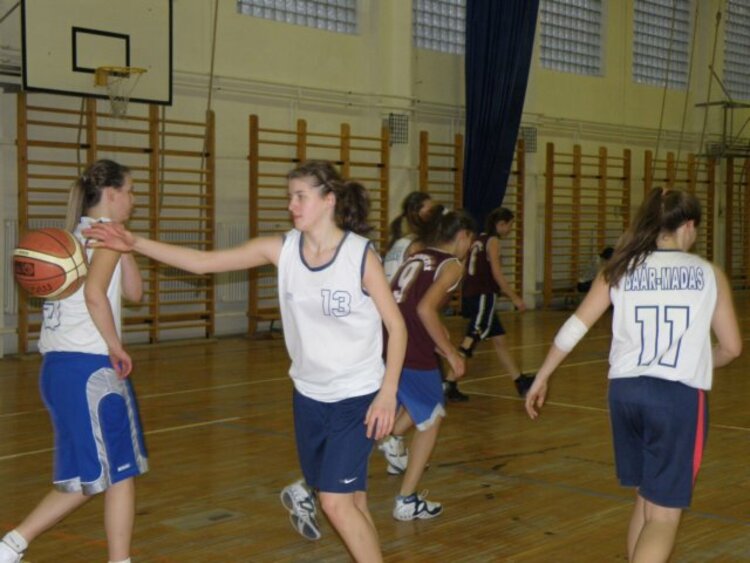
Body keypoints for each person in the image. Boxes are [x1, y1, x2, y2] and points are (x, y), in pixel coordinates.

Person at [83, 160, 407, 563]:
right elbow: (203, 262)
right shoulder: (282, 249)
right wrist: (134, 242)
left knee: (335, 503)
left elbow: (397, 326)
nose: (291, 205)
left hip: (358, 395)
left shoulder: (359, 255)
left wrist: (388, 393)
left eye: (300, 197)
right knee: (352, 501)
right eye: (290, 197)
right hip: (309, 396)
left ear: (329, 200)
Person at [525, 188, 741, 563]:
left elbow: (574, 327)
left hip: (625, 394)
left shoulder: (620, 268)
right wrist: (698, 360)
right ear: (689, 226)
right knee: (664, 516)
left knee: (645, 497)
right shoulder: (709, 274)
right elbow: (732, 348)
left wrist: (541, 376)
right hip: (676, 399)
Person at [0, 160, 148, 563]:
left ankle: (10, 547)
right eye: (130, 191)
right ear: (112, 194)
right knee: (118, 474)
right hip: (91, 370)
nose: (134, 199)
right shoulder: (100, 242)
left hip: (57, 370)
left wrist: (126, 245)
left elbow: (135, 293)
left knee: (90, 475)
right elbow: (95, 295)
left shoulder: (71, 238)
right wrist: (116, 346)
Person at [378, 207, 474, 520]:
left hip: (385, 339)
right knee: (431, 420)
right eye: (470, 240)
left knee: (380, 418)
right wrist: (450, 352)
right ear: (463, 236)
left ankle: (311, 485)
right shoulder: (453, 265)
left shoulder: (416, 255)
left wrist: (437, 335)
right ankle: (406, 499)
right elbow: (423, 309)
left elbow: (400, 300)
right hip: (410, 347)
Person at [457, 207, 535, 400]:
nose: (510, 229)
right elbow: (497, 274)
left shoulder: (477, 240)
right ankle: (448, 381)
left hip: (472, 293)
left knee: (500, 340)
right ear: (501, 224)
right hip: (484, 295)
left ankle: (519, 380)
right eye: (510, 225)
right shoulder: (493, 241)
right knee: (472, 338)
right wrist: (514, 297)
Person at [383, 191, 434, 281]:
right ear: (417, 215)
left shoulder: (396, 243)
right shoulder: (417, 246)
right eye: (430, 212)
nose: (435, 216)